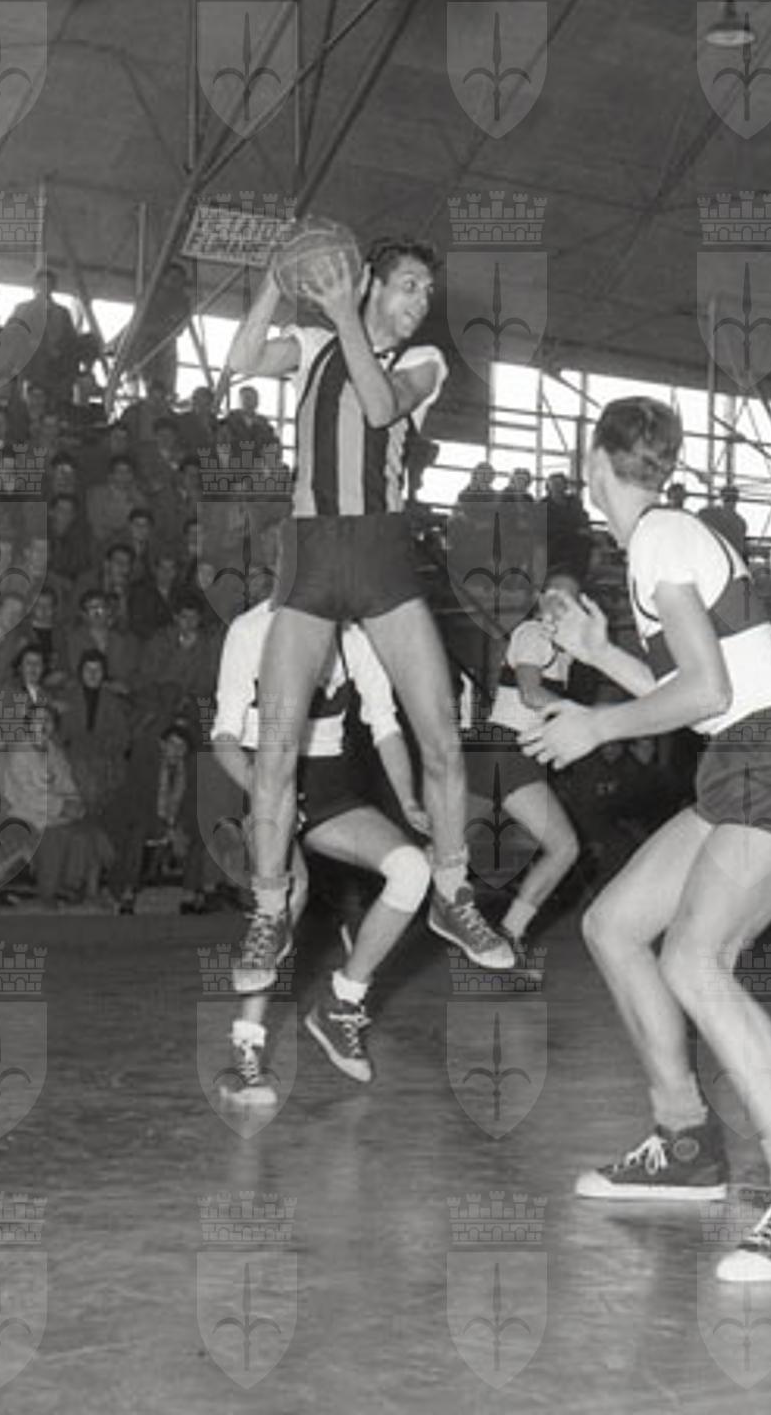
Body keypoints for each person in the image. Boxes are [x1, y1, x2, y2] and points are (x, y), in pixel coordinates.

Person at [523, 396, 771, 1283]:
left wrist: (596, 725)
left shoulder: (660, 539)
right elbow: (697, 685)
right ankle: (685, 1141)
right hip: (742, 757)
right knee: (615, 926)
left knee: (695, 962)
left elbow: (706, 691)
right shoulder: (664, 541)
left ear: (596, 465)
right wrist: (600, 653)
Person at [224, 237, 511, 990]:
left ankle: (451, 894)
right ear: (371, 284)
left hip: (382, 554)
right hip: (313, 555)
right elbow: (241, 360)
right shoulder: (313, 343)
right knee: (276, 746)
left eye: (426, 292)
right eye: (409, 285)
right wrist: (274, 280)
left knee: (441, 736)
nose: (420, 302)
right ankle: (269, 911)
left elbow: (381, 406)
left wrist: (343, 314)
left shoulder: (425, 363)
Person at [211, 599, 433, 1093]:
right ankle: (246, 1053)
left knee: (413, 870)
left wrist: (410, 801)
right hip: (264, 774)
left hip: (329, 785)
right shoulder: (251, 629)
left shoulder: (356, 638)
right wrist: (267, 791)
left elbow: (386, 726)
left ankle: (342, 1002)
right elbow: (224, 736)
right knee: (288, 897)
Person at [476, 570, 588, 971]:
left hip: (513, 755)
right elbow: (529, 693)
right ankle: (510, 933)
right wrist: (585, 718)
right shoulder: (533, 634)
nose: (560, 605)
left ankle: (391, 898)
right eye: (555, 596)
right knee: (564, 847)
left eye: (570, 600)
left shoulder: (565, 650)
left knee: (447, 855)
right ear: (540, 599)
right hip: (504, 751)